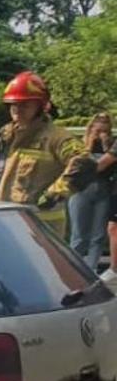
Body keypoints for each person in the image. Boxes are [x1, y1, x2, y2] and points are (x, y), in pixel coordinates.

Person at [0, 72, 79, 211]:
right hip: (4, 215)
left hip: (40, 221)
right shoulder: (5, 135)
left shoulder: (57, 137)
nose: (17, 109)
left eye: (25, 104)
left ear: (40, 107)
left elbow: (84, 163)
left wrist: (53, 195)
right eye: (13, 104)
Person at [67, 112, 114, 267]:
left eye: (105, 129)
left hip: (103, 190)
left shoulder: (112, 145)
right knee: (79, 235)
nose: (101, 133)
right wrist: (88, 144)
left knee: (98, 235)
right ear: (91, 127)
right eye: (97, 129)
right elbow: (78, 165)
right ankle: (73, 269)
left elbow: (106, 166)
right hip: (81, 190)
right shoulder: (80, 143)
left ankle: (91, 270)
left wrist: (106, 144)